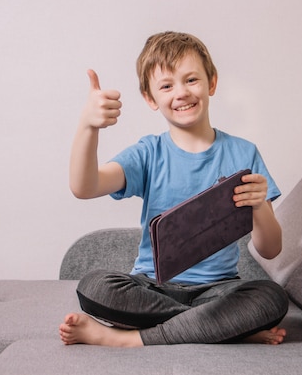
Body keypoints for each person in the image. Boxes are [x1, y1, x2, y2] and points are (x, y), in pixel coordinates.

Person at [60, 31, 288, 347]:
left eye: (191, 80)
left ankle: (127, 339)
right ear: (151, 99)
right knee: (94, 285)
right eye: (167, 86)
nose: (181, 93)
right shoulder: (148, 153)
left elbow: (270, 249)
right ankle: (221, 328)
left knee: (271, 297)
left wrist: (260, 205)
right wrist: (87, 127)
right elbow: (84, 187)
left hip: (217, 291)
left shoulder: (244, 153)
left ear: (212, 83)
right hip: (151, 288)